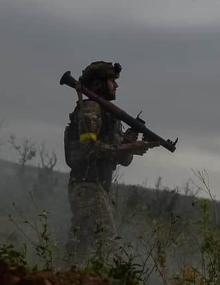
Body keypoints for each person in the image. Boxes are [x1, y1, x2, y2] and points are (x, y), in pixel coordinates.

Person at [62, 61, 160, 268]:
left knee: (78, 247)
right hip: (87, 185)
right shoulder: (91, 109)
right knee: (109, 245)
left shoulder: (110, 116)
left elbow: (122, 160)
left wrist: (130, 143)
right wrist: (128, 147)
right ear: (98, 84)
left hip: (96, 186)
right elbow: (89, 148)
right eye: (112, 81)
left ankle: (61, 277)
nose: (116, 86)